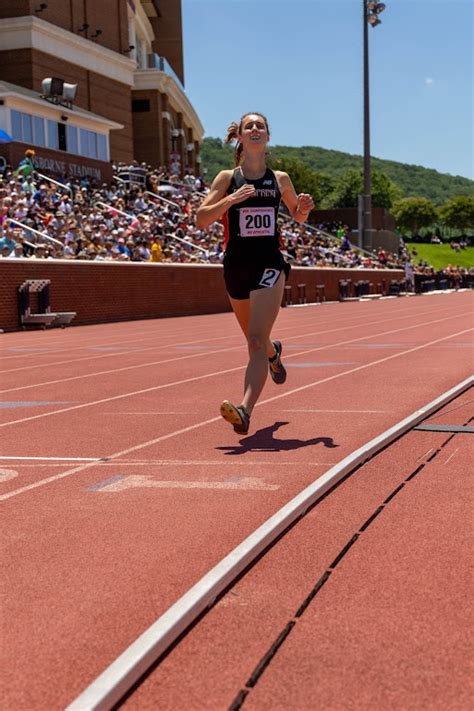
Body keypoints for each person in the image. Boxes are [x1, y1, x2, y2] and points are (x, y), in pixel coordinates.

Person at [196, 112, 314, 434]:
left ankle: (245, 409)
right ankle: (275, 354)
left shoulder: (280, 179)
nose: (255, 129)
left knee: (254, 341)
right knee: (259, 342)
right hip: (236, 267)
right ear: (241, 137)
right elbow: (201, 219)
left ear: (267, 136)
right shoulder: (226, 178)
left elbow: (298, 216)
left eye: (260, 125)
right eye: (249, 126)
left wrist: (302, 207)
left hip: (269, 264)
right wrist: (231, 199)